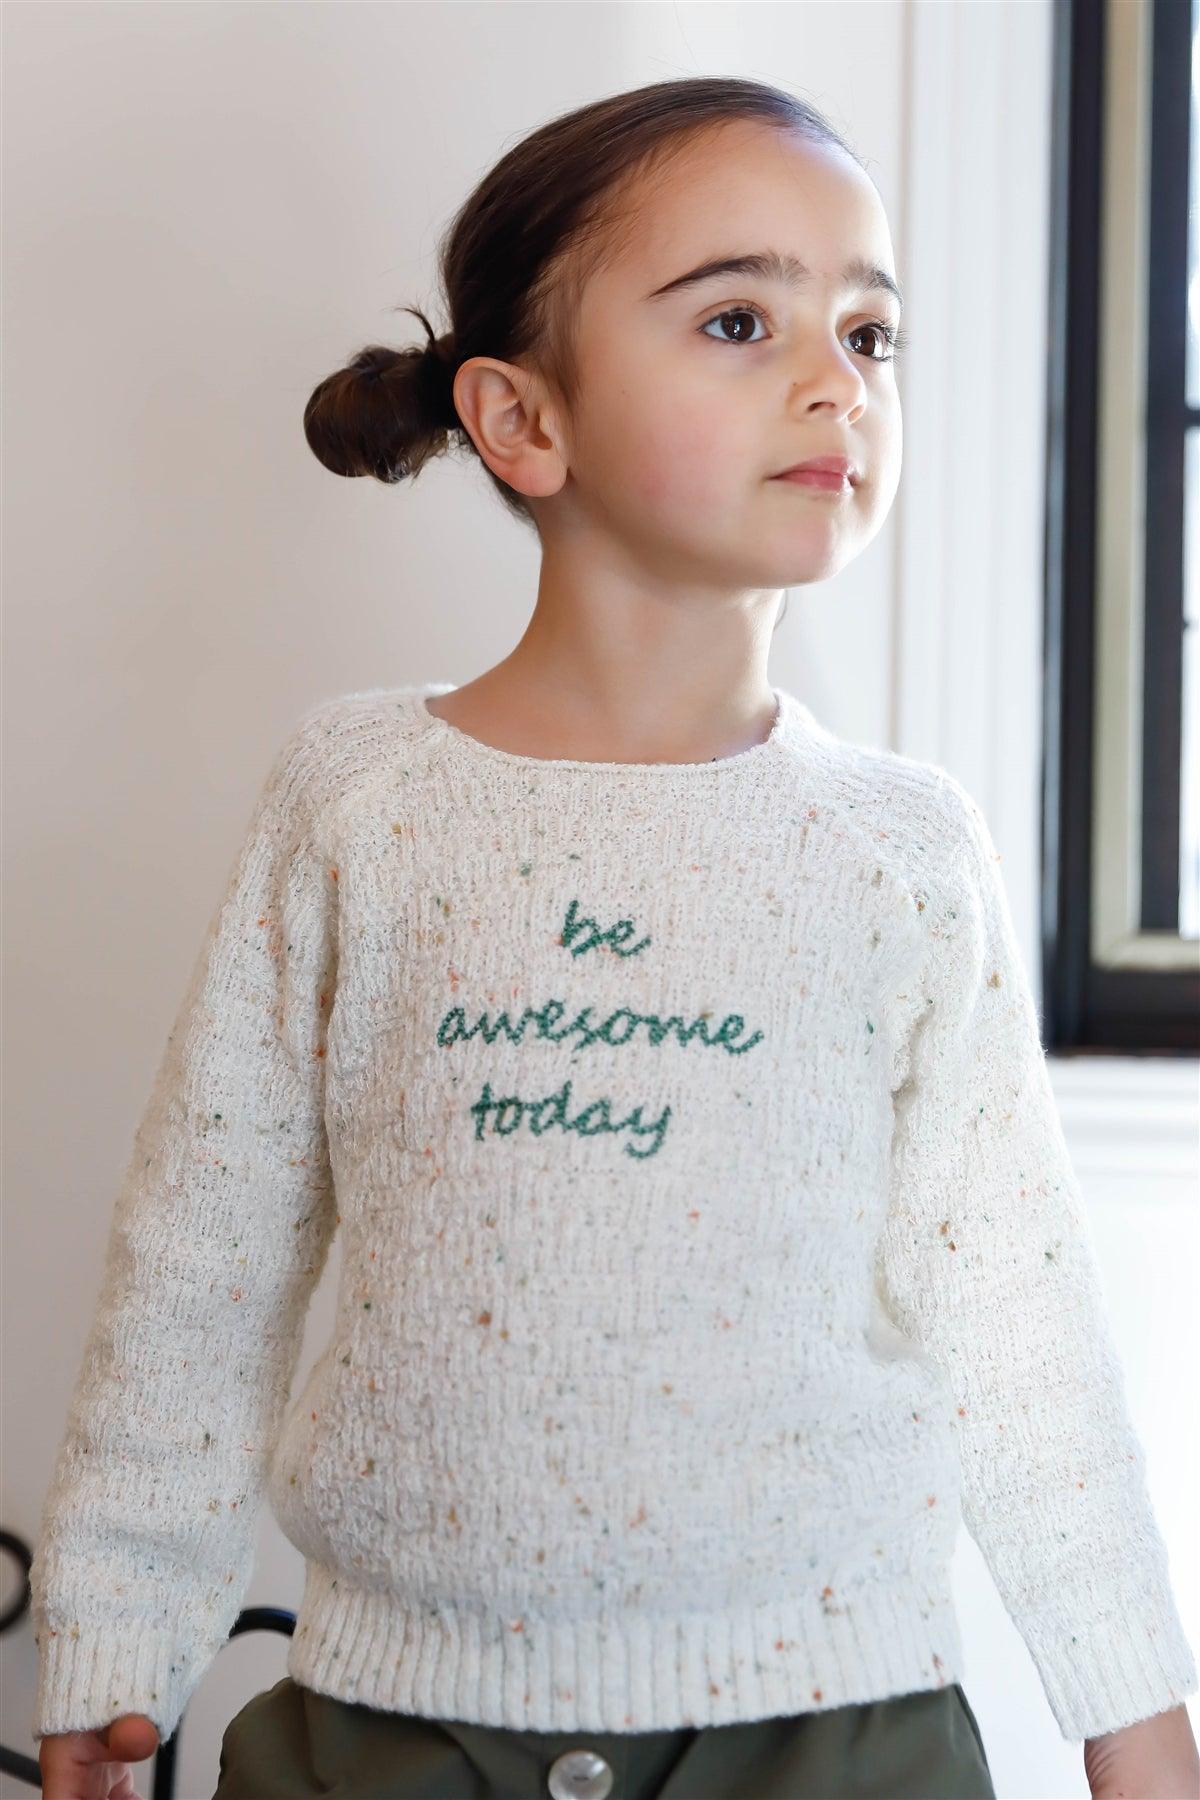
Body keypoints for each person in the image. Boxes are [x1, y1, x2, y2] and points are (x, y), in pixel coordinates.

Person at [30, 74, 1198, 1800]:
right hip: (389, 1736)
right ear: (522, 420)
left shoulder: (901, 851)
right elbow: (203, 1265)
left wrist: (1134, 1706)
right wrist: (115, 1644)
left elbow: (1021, 1318)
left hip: (840, 1738)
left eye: (869, 334)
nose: (836, 380)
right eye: (739, 320)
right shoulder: (358, 805)